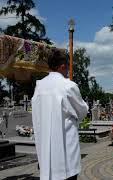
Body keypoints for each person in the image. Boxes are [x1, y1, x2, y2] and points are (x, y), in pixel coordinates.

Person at [32, 49, 88, 180]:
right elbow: (82, 110)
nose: (68, 70)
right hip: (66, 149)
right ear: (63, 66)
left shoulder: (39, 86)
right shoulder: (68, 86)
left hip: (45, 148)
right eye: (68, 66)